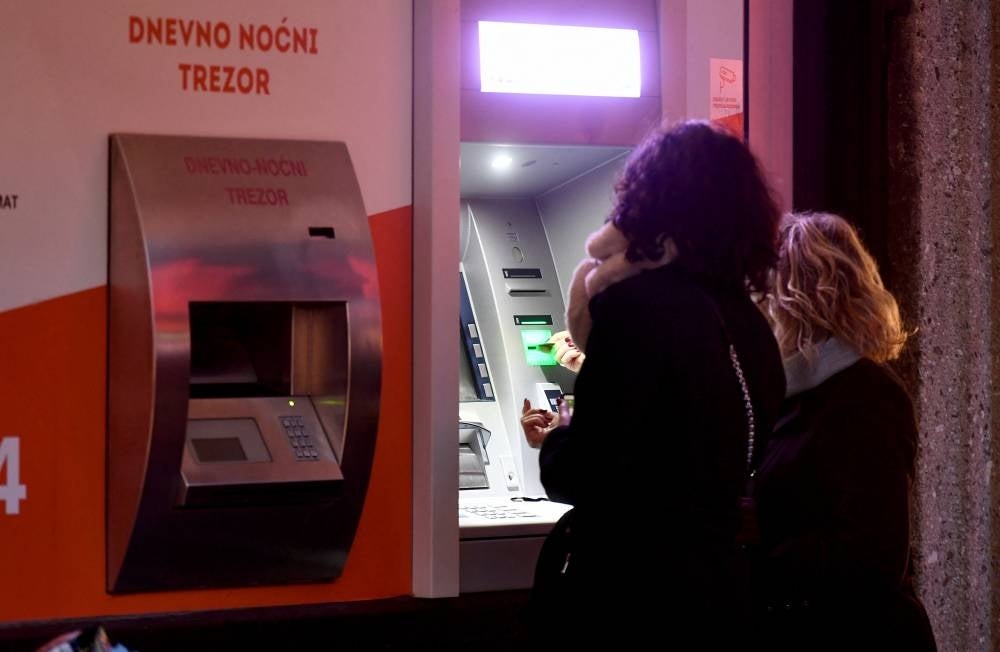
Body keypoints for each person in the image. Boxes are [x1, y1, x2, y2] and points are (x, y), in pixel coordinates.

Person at [519, 120, 786, 648]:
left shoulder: (636, 310)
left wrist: (556, 441)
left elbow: (591, 468)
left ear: (649, 203)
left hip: (632, 599)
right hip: (721, 594)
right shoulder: (752, 325)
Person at [753, 211, 937, 651]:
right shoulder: (793, 390)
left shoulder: (865, 395)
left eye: (763, 288)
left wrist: (757, 555)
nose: (756, 302)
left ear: (796, 296)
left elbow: (874, 554)